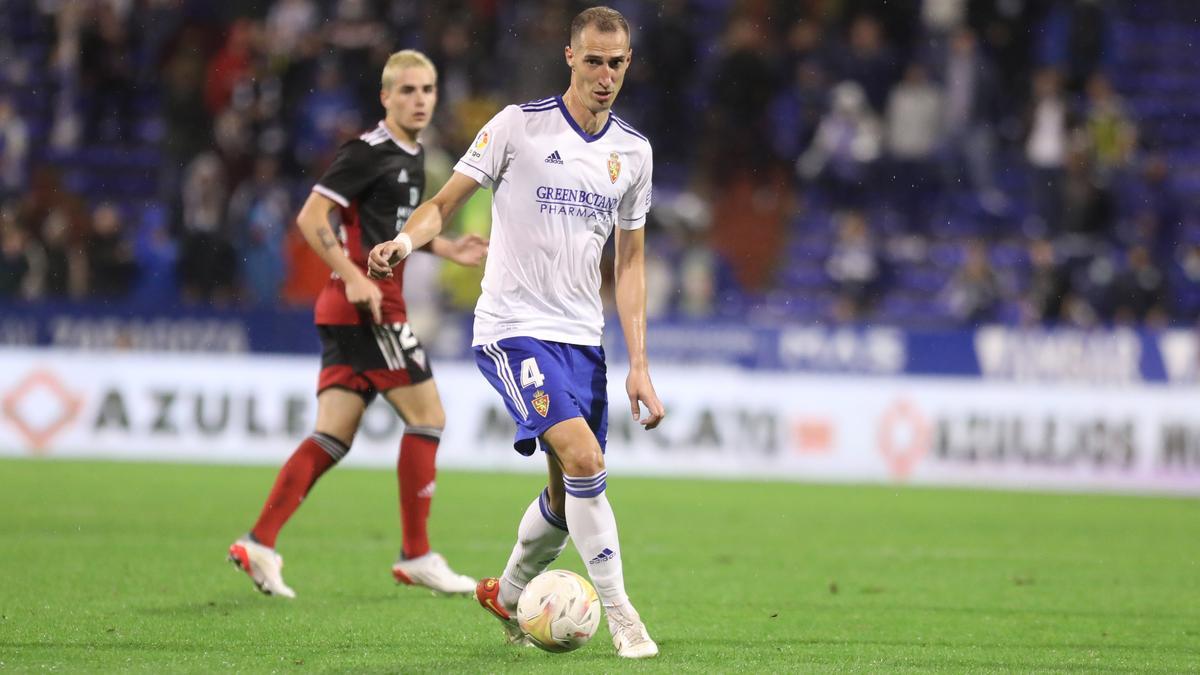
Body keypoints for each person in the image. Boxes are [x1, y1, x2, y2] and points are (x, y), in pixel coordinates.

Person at [368, 7, 664, 659]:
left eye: (616, 64)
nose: (604, 75)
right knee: (587, 460)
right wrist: (405, 240)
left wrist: (639, 361)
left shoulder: (632, 153)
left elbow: (632, 260)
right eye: (593, 61)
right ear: (569, 57)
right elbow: (442, 202)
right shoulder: (517, 127)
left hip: (582, 339)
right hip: (512, 328)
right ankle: (622, 614)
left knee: (566, 495)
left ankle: (506, 592)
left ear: (628, 65)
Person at [228, 50, 487, 599]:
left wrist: (444, 246)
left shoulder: (414, 157)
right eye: (408, 90)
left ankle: (259, 541)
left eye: (427, 90)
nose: (419, 100)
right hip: (368, 308)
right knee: (429, 417)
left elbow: (385, 229)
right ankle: (416, 554)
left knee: (332, 435)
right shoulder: (368, 151)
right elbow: (310, 217)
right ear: (385, 98)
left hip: (351, 308)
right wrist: (352, 275)